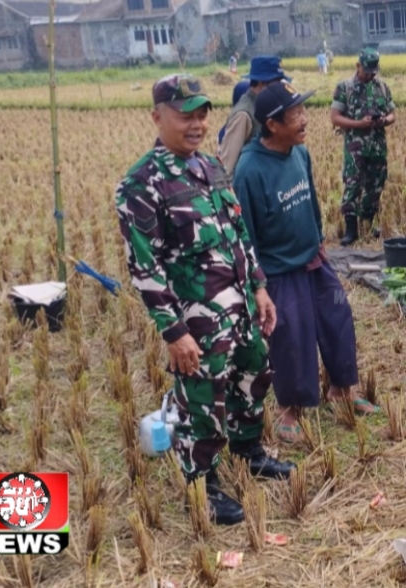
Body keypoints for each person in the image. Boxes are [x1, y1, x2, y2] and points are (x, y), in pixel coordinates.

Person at [114, 74, 295, 526]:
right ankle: (202, 483)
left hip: (241, 306)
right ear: (157, 117)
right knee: (203, 398)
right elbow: (144, 266)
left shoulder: (210, 168)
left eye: (200, 115)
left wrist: (259, 287)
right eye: (183, 115)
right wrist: (174, 333)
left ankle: (250, 451)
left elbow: (238, 233)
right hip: (196, 319)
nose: (195, 124)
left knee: (256, 373)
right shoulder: (142, 183)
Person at [233, 82, 379, 445]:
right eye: (295, 114)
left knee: (337, 317)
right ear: (272, 124)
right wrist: (258, 284)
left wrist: (318, 239)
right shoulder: (249, 171)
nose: (304, 119)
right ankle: (289, 410)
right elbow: (243, 234)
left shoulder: (300, 154)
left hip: (313, 259)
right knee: (291, 338)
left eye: (302, 110)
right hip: (279, 270)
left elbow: (311, 201)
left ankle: (342, 389)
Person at [331, 48, 397, 245]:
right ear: (357, 66)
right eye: (366, 70)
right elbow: (335, 118)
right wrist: (359, 124)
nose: (369, 75)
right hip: (355, 148)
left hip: (377, 146)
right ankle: (351, 230)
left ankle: (368, 223)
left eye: (373, 71)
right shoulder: (345, 87)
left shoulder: (382, 87)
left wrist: (384, 120)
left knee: (375, 185)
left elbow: (393, 114)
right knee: (353, 185)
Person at [217, 55, 289, 177]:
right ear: (263, 83)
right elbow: (226, 164)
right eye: (277, 82)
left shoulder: (265, 104)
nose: (279, 88)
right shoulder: (244, 114)